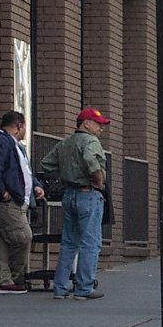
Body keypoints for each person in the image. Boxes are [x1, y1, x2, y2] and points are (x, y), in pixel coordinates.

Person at [41, 107, 111, 300]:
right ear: (86, 123)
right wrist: (97, 179)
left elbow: (46, 164)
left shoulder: (65, 143)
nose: (100, 129)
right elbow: (90, 159)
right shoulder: (91, 141)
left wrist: (65, 175)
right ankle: (84, 288)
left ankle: (60, 288)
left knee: (69, 243)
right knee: (91, 243)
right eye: (98, 124)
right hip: (88, 194)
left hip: (69, 194)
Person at [0, 111, 42, 294]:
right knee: (22, 235)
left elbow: (24, 172)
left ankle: (4, 280)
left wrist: (35, 186)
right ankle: (15, 276)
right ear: (19, 125)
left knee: (4, 239)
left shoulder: (17, 146)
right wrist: (2, 191)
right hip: (5, 201)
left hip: (17, 200)